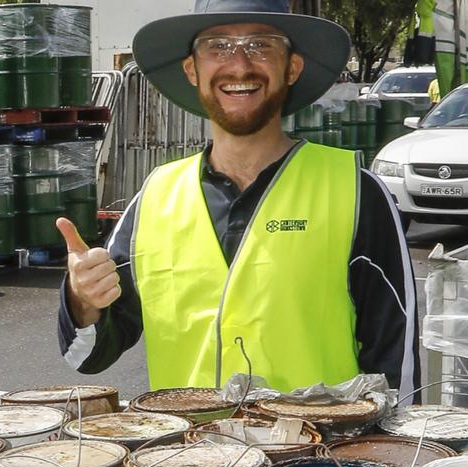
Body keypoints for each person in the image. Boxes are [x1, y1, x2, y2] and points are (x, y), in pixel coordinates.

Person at [55, 0, 419, 399]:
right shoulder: (156, 198)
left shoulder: (356, 192)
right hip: (190, 454)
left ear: (291, 67)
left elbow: (396, 359)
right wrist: (83, 298)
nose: (241, 65)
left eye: (261, 45)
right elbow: (88, 355)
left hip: (317, 456)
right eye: (218, 46)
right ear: (192, 70)